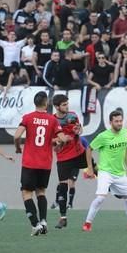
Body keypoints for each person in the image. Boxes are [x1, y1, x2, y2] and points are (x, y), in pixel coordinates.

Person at [14, 91, 69, 236]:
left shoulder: (28, 118)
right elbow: (62, 139)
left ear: (35, 103)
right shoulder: (52, 120)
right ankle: (44, 221)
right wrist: (59, 146)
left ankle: (35, 225)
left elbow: (17, 135)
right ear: (46, 103)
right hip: (45, 163)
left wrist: (18, 147)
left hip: (30, 162)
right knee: (41, 192)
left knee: (26, 193)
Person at [82, 110, 127, 232]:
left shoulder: (125, 133)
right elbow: (89, 149)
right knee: (100, 198)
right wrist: (90, 168)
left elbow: (125, 150)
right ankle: (87, 224)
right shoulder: (103, 136)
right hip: (105, 172)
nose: (119, 123)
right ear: (111, 122)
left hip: (120, 173)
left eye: (121, 121)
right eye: (116, 121)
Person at [51, 94, 87, 229]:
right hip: (63, 157)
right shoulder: (52, 120)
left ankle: (112, 187)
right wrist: (58, 140)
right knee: (63, 187)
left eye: (67, 104)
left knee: (95, 169)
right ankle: (63, 218)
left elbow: (80, 129)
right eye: (64, 104)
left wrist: (78, 131)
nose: (67, 106)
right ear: (56, 107)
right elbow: (50, 140)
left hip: (78, 153)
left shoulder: (72, 116)